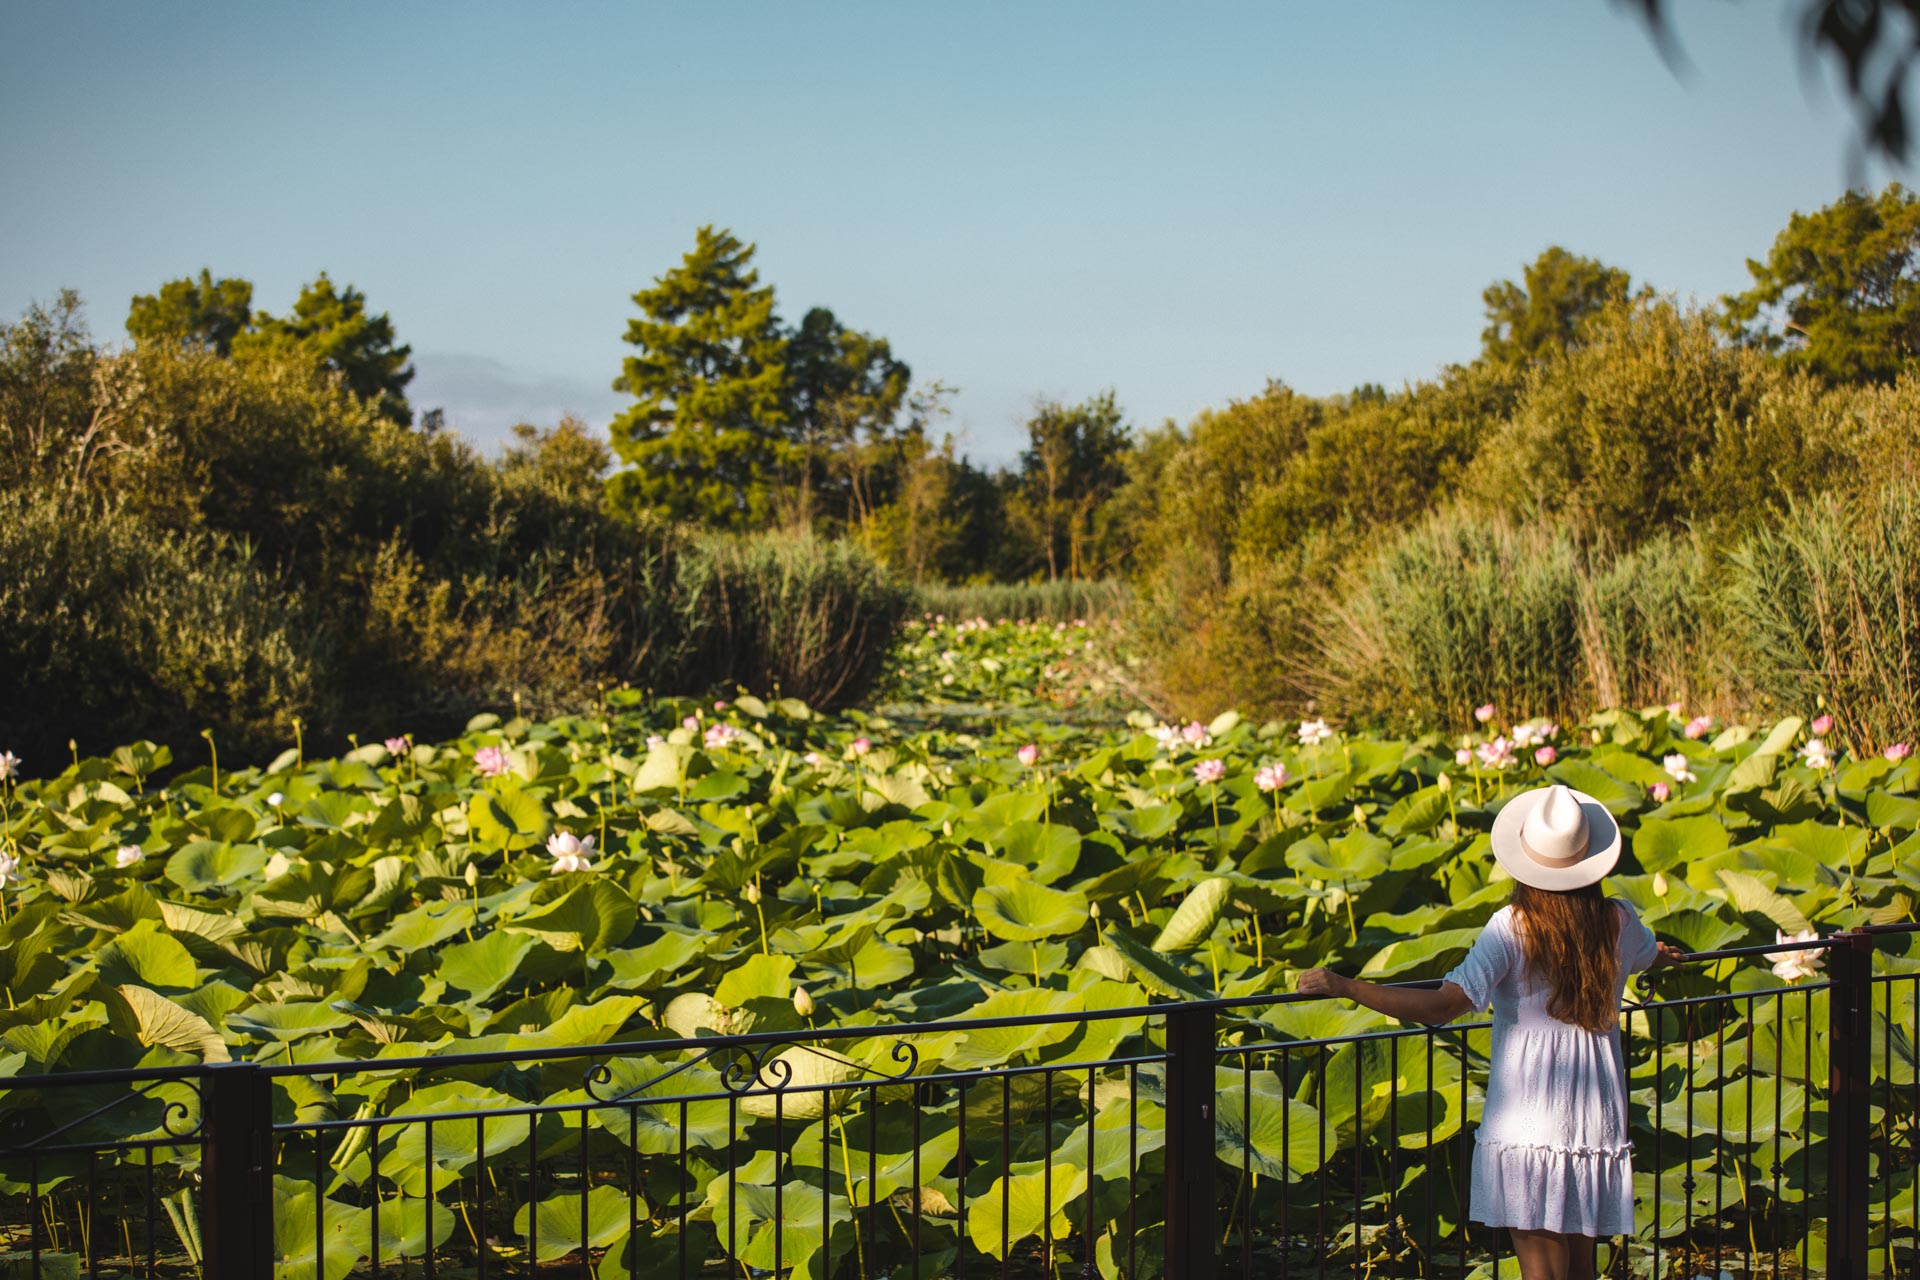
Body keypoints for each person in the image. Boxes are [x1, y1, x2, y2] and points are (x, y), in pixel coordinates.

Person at [1299, 783, 1684, 1280]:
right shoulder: (1618, 920)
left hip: (1530, 1123)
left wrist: (1348, 986)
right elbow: (1650, 954)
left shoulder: (1514, 927)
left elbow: (1442, 1006)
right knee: (1582, 1271)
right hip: (1593, 1121)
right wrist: (1665, 958)